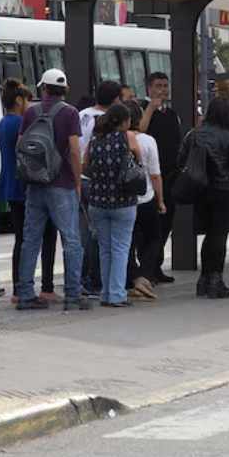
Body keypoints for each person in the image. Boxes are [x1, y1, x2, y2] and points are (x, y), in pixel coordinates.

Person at [17, 69, 88, 311]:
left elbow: (21, 146)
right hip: (62, 184)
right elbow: (75, 150)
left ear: (43, 88)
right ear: (64, 90)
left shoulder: (30, 112)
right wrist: (77, 181)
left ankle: (26, 294)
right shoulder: (69, 113)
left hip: (35, 184)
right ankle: (73, 294)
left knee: (30, 240)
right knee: (71, 240)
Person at [177, 97, 229, 299]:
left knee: (209, 234)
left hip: (201, 190)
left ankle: (204, 279)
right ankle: (215, 279)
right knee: (219, 235)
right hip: (224, 191)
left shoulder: (194, 134)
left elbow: (181, 160)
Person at [0, 80, 58, 304]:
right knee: (46, 235)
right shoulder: (21, 122)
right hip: (25, 185)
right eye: (27, 99)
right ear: (18, 100)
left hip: (9, 185)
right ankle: (46, 287)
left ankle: (17, 288)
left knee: (21, 238)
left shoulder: (4, 122)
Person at [84, 104, 141, 308]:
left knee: (105, 249)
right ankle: (117, 294)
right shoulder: (128, 138)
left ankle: (106, 293)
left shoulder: (94, 141)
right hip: (123, 202)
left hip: (98, 202)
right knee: (120, 248)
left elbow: (85, 166)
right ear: (125, 121)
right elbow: (138, 160)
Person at [79, 80, 122, 298]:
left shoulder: (81, 115)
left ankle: (80, 279)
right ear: (115, 100)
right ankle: (93, 280)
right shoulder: (105, 121)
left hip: (78, 179)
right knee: (99, 235)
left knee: (82, 234)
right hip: (97, 181)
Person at [138, 72, 181, 284]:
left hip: (171, 176)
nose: (162, 90)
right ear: (149, 88)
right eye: (158, 86)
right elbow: (139, 131)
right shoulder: (142, 110)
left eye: (165, 85)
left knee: (166, 225)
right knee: (149, 227)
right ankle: (146, 269)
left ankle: (156, 266)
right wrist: (151, 108)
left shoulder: (172, 114)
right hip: (149, 177)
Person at [124, 101, 163, 300]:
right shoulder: (148, 140)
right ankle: (145, 275)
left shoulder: (114, 138)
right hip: (146, 197)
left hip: (123, 199)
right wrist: (161, 200)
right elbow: (155, 174)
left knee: (127, 242)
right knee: (154, 238)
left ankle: (132, 278)